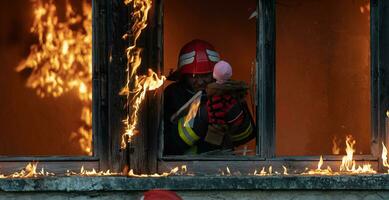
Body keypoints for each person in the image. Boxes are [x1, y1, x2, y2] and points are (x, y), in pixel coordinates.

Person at [163, 39, 254, 155]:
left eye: (206, 75)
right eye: (194, 76)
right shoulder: (173, 94)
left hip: (221, 167)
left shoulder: (227, 91)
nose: (200, 82)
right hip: (184, 169)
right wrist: (200, 117)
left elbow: (245, 137)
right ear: (184, 75)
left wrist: (236, 115)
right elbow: (168, 145)